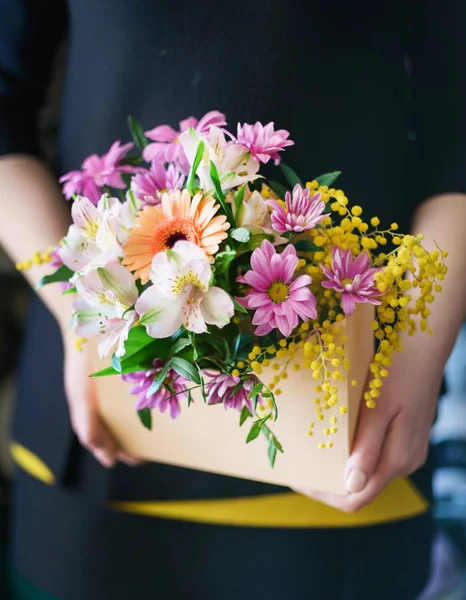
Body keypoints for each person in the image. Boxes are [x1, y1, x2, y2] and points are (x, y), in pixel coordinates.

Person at [0, 1, 465, 598]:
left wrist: (419, 349)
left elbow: (455, 140)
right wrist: (81, 309)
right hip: (98, 449)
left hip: (350, 440)